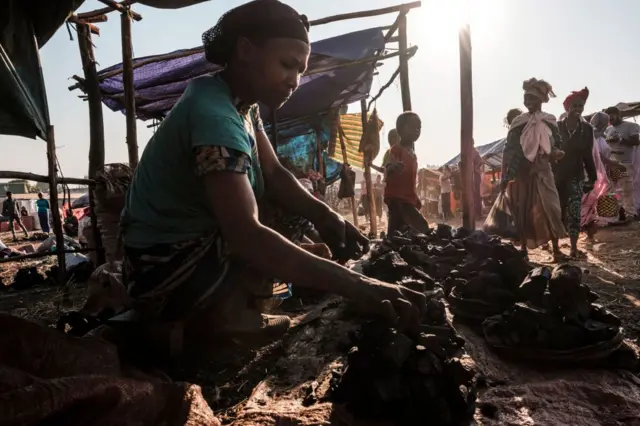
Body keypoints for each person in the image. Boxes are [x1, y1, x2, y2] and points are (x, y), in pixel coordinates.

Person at [118, 0, 424, 350]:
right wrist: (358, 286)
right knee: (266, 249)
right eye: (286, 65)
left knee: (289, 213)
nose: (294, 81)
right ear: (246, 50)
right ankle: (201, 324)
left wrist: (326, 215)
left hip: (184, 248)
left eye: (300, 70)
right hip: (163, 267)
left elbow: (274, 173)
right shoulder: (214, 115)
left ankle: (236, 303)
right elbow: (246, 235)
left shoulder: (240, 104)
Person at [501, 78, 566, 260]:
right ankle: (523, 248)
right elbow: (510, 149)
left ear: (541, 101)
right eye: (526, 99)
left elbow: (557, 144)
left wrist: (556, 152)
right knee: (524, 210)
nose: (528, 102)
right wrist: (506, 175)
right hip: (522, 173)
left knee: (550, 208)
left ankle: (556, 248)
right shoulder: (518, 123)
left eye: (532, 99)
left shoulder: (550, 121)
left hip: (543, 170)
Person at [556, 88, 597, 258]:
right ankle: (555, 247)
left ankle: (573, 247)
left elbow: (588, 154)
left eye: (581, 106)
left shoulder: (587, 129)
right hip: (556, 175)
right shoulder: (556, 127)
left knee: (574, 210)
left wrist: (592, 177)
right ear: (567, 107)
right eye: (574, 105)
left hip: (576, 175)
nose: (578, 109)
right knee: (556, 210)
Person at [384, 112, 430, 236]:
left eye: (419, 127)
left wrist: (415, 196)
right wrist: (392, 167)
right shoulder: (396, 150)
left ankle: (391, 246)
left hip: (408, 199)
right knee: (421, 227)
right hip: (397, 199)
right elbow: (387, 167)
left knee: (399, 229)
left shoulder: (413, 154)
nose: (417, 130)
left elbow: (411, 180)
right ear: (401, 130)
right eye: (413, 126)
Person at [581, 112, 625, 243]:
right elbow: (598, 156)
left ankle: (602, 221)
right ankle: (591, 224)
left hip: (602, 171)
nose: (608, 124)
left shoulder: (600, 135)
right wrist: (614, 164)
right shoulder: (594, 135)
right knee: (594, 197)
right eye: (606, 122)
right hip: (595, 172)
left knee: (605, 196)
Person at [604, 106, 640, 219]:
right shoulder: (608, 130)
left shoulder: (631, 126)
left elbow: (636, 141)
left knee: (627, 189)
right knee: (613, 190)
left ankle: (630, 213)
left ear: (619, 115)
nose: (610, 118)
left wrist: (621, 140)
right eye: (608, 116)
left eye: (612, 115)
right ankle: (618, 215)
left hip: (625, 162)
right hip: (612, 163)